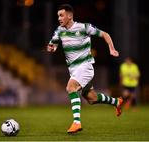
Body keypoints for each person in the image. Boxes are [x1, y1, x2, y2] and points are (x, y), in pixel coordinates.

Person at [46, 4, 123, 134]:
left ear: (70, 16)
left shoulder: (84, 27)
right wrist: (51, 48)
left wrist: (112, 48)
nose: (59, 18)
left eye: (61, 15)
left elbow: (105, 34)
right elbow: (52, 45)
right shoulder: (59, 30)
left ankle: (77, 123)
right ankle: (117, 101)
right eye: (58, 15)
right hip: (74, 70)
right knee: (92, 98)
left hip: (85, 66)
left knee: (70, 87)